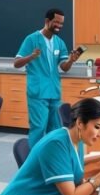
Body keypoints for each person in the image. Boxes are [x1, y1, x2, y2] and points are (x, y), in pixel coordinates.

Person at [14, 8, 82, 146]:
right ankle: (35, 161)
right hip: (38, 92)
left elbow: (64, 67)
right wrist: (31, 56)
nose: (59, 26)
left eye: (61, 23)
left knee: (55, 129)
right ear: (47, 21)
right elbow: (16, 63)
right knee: (38, 128)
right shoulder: (32, 39)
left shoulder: (59, 42)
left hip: (54, 93)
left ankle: (51, 158)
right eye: (56, 22)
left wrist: (71, 60)